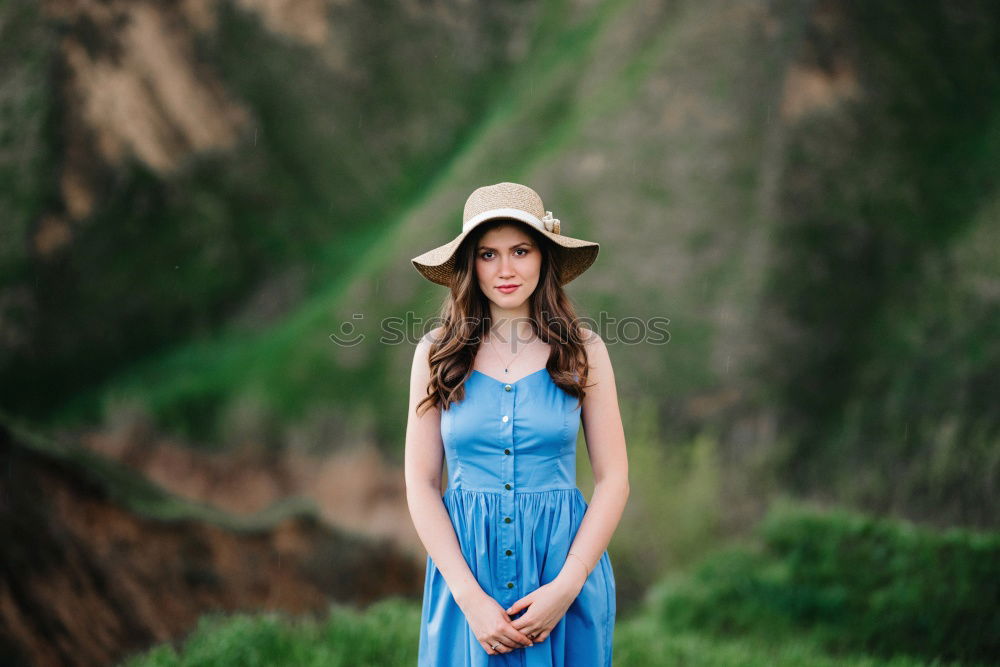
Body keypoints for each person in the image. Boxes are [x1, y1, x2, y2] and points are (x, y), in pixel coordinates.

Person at [405, 182, 629, 665]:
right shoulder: (436, 355)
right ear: (470, 266)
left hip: (563, 574)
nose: (505, 270)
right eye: (488, 254)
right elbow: (420, 484)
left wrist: (567, 587)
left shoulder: (584, 351)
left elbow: (614, 480)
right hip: (466, 579)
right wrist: (468, 597)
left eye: (520, 251)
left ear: (544, 258)